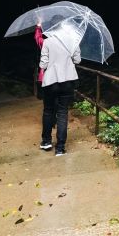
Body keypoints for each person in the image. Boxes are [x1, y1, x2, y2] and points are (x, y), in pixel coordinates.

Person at [39, 25, 80, 156]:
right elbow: (77, 60)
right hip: (68, 81)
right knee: (62, 113)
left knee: (48, 111)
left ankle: (46, 142)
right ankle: (60, 148)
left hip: (51, 82)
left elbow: (43, 64)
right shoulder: (74, 40)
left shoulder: (48, 41)